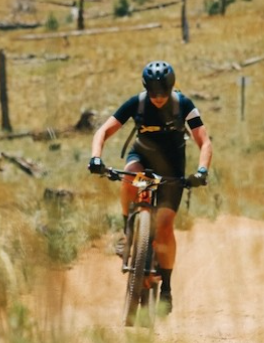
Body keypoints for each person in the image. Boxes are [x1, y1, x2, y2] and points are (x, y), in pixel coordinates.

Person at [88, 60, 212, 314]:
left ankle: (166, 286)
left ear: (171, 89)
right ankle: (127, 231)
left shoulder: (183, 105)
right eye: (153, 93)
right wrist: (96, 157)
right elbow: (103, 131)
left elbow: (204, 141)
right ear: (146, 89)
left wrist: (201, 170)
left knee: (165, 226)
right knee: (128, 177)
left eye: (163, 93)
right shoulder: (138, 103)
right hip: (142, 159)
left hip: (173, 169)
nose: (158, 99)